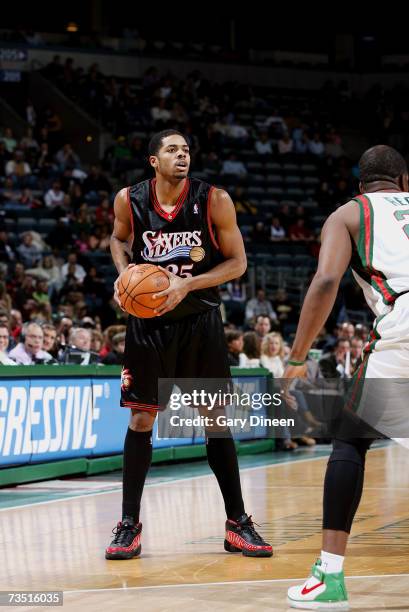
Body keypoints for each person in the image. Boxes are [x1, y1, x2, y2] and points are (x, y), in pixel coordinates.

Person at [106, 129, 272, 560]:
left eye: (186, 149)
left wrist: (189, 284)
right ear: (153, 161)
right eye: (172, 150)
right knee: (142, 421)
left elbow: (238, 263)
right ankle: (129, 525)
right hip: (148, 325)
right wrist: (125, 273)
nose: (182, 155)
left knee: (216, 421)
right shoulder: (129, 199)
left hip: (200, 321)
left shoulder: (213, 200)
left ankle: (238, 523)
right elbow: (118, 239)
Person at [285, 145, 409, 609]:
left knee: (350, 440)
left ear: (363, 186)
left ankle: (329, 577)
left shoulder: (349, 214)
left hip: (404, 318)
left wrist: (297, 358)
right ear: (404, 182)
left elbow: (324, 282)